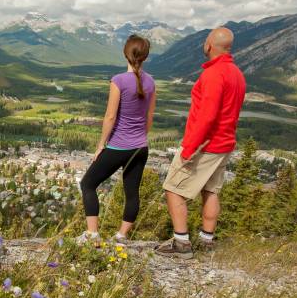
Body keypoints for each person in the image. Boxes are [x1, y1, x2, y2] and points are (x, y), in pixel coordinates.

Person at [155, 27, 246, 259]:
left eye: (205, 42)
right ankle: (206, 240)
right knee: (211, 190)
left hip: (206, 145)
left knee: (173, 189)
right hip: (225, 143)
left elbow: (207, 115)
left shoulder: (214, 74)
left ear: (209, 45)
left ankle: (181, 243)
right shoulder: (236, 73)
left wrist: (188, 148)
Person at [77, 34, 156, 244]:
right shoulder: (151, 82)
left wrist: (101, 145)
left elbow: (110, 116)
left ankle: (92, 234)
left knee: (87, 184)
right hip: (140, 147)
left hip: (118, 146)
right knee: (132, 192)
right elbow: (149, 117)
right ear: (145, 57)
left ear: (125, 54)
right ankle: (121, 236)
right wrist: (140, 138)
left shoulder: (118, 80)